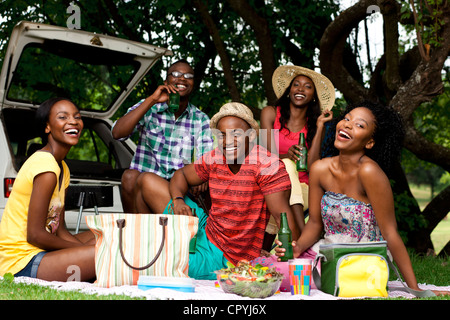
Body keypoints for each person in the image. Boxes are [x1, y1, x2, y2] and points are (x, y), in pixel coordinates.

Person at [275, 100, 447, 296]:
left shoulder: (369, 172)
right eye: (347, 119)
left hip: (364, 259)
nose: (347, 124)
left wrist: (414, 288)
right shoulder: (319, 169)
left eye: (359, 125)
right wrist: (297, 249)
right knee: (276, 271)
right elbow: (314, 223)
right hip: (327, 253)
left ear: (369, 142)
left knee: (292, 281)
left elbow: (390, 233)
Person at [167, 102, 300, 280]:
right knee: (150, 183)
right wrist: (178, 201)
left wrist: (288, 250)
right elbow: (181, 174)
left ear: (251, 135)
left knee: (169, 264)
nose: (228, 141)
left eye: (236, 134)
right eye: (222, 135)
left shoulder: (268, 166)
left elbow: (285, 222)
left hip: (227, 255)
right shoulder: (215, 157)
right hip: (208, 229)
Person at [0, 97, 95, 281]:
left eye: (77, 116)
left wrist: (86, 248)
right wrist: (85, 250)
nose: (73, 121)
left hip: (41, 253)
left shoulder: (63, 168)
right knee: (104, 252)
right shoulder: (45, 165)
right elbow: (35, 235)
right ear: (47, 127)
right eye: (63, 117)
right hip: (21, 262)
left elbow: (59, 229)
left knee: (105, 235)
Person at [112, 59, 214, 213]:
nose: (182, 78)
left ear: (193, 85)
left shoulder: (200, 119)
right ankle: (133, 231)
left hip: (178, 190)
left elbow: (204, 161)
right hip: (142, 185)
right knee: (129, 176)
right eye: (176, 74)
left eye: (188, 76)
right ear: (166, 81)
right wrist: (152, 100)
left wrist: (201, 175)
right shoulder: (149, 107)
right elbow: (117, 133)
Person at [260, 65, 335, 250]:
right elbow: (263, 156)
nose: (301, 89)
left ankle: (281, 245)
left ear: (314, 96)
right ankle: (302, 235)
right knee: (285, 164)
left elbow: (312, 166)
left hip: (305, 189)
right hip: (272, 182)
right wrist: (287, 156)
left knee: (288, 169)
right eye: (296, 85)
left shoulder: (314, 124)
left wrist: (319, 128)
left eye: (308, 86)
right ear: (289, 90)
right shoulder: (270, 113)